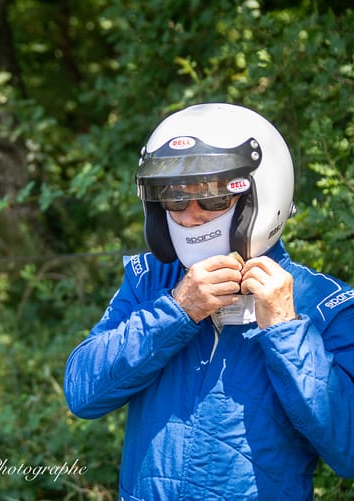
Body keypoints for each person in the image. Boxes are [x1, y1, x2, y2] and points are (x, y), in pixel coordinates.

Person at [64, 103, 354, 499]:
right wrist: (177, 310)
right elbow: (83, 393)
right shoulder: (149, 281)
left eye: (214, 198)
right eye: (175, 198)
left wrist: (287, 330)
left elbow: (348, 450)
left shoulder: (323, 302)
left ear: (260, 193)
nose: (190, 216)